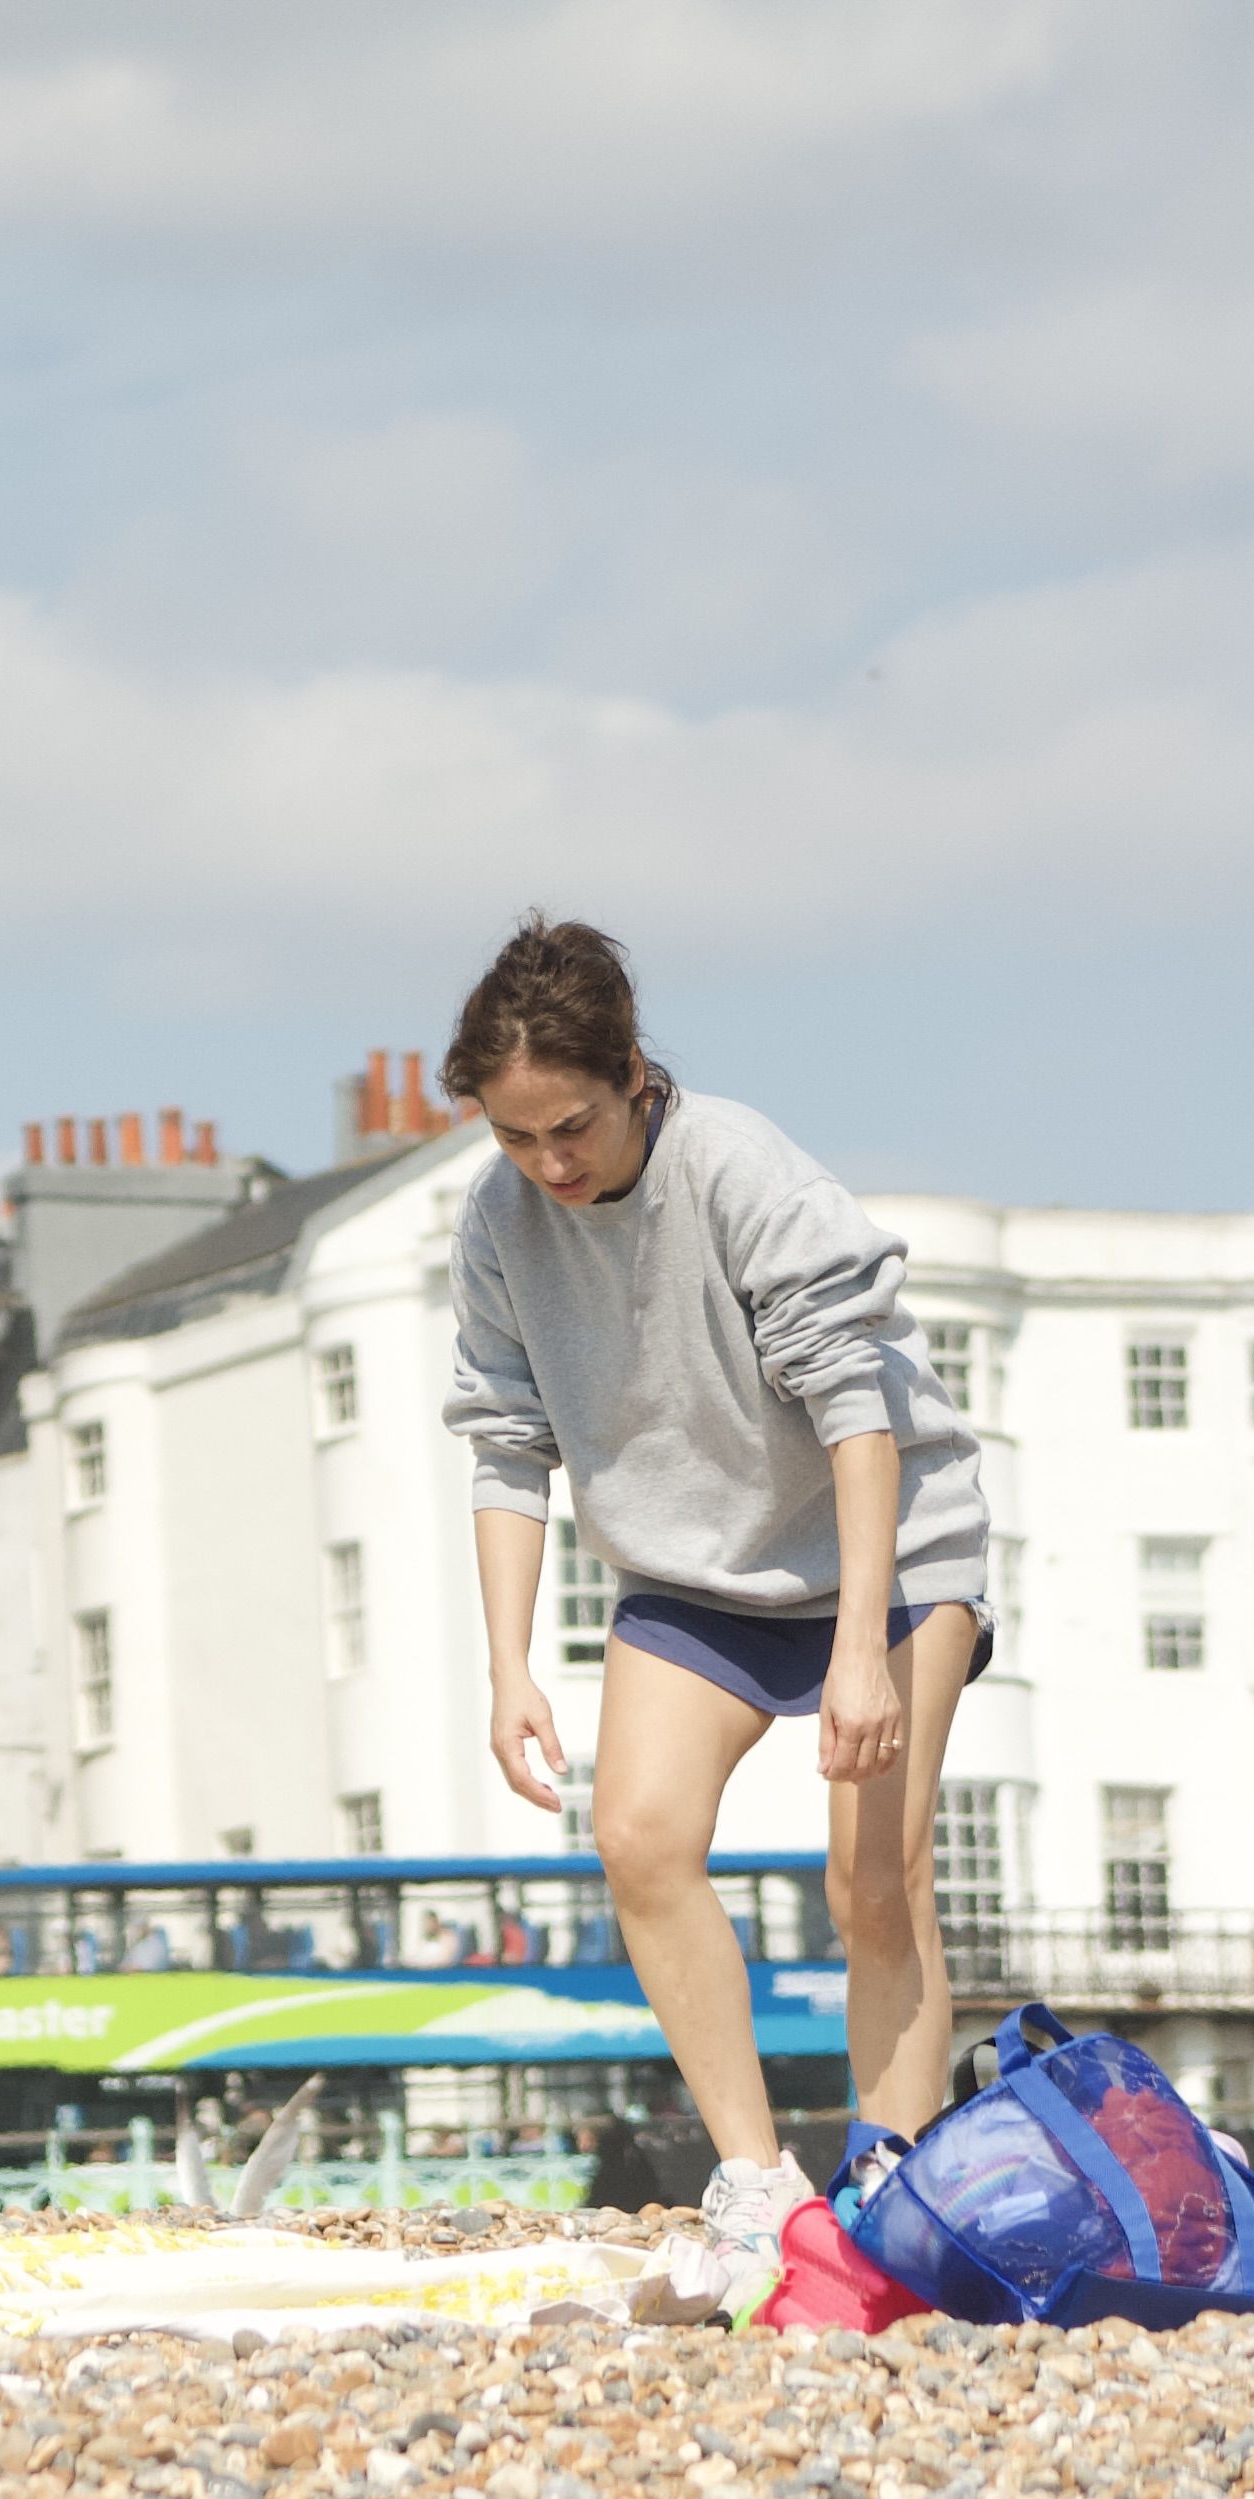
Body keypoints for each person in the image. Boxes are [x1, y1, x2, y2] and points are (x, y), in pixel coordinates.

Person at [442, 914, 988, 2278]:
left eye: (569, 1126)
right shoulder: (502, 1220)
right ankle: (755, 2186)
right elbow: (508, 1442)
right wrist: (509, 1668)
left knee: (873, 1877)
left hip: (889, 1553)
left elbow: (858, 1414)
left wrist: (863, 1645)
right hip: (696, 1576)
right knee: (637, 1836)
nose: (548, 1166)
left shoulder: (739, 1168)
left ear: (632, 1070)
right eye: (515, 1139)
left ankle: (892, 2193)